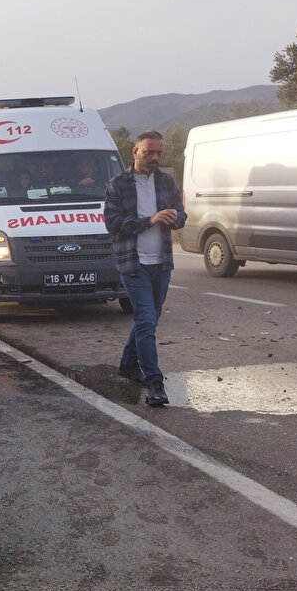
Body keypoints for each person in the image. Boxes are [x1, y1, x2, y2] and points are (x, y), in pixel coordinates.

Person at [103, 131, 187, 407]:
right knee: (147, 322)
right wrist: (149, 220)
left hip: (161, 263)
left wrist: (175, 218)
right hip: (134, 263)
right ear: (134, 152)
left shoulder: (165, 182)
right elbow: (113, 224)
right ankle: (155, 383)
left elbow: (181, 214)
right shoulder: (118, 185)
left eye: (159, 153)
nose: (155, 158)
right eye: (149, 152)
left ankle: (128, 364)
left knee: (146, 320)